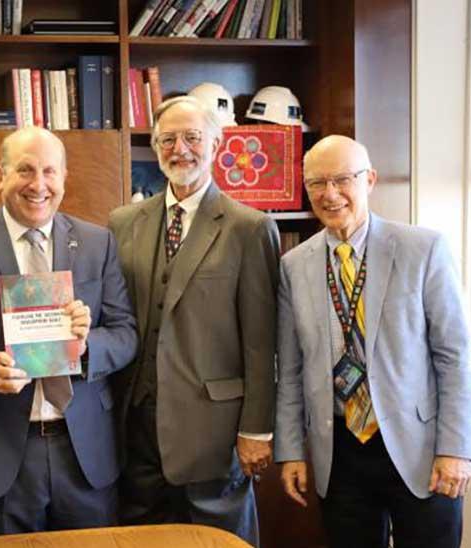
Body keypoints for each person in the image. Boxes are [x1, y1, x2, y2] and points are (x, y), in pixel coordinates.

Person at [275, 135, 471, 548]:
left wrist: (457, 449)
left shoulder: (422, 249)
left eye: (342, 179)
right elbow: (291, 370)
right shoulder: (294, 265)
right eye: (316, 183)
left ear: (369, 180)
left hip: (421, 450)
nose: (329, 194)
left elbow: (456, 357)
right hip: (341, 452)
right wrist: (291, 450)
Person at [0, 126, 137, 535]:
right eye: (25, 170)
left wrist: (85, 347)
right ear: (1, 176)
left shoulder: (98, 243)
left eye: (50, 171)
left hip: (82, 451)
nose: (39, 185)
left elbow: (125, 333)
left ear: (64, 178)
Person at [107, 96, 279, 545]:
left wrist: (256, 430)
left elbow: (262, 341)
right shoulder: (123, 223)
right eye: (168, 139)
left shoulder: (250, 228)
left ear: (217, 143)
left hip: (214, 432)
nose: (179, 148)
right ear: (155, 145)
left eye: (192, 137)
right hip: (136, 427)